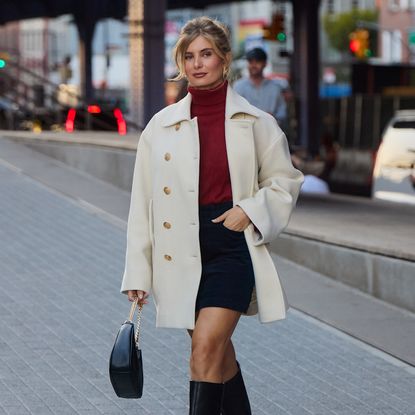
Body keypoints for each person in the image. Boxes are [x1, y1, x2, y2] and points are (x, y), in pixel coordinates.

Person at [120, 16, 303, 415]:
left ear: (224, 59)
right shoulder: (160, 127)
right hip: (179, 251)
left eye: (206, 54)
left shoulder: (256, 122)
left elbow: (285, 181)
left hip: (231, 247)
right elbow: (142, 204)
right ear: (181, 63)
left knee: (204, 349)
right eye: (189, 56)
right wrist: (138, 272)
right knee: (217, 355)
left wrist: (249, 210)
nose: (197, 64)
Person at [233, 47, 287, 125]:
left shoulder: (275, 88)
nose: (253, 65)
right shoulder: (238, 86)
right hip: (245, 134)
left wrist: (273, 117)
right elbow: (233, 113)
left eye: (257, 61)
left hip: (270, 134)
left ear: (265, 64)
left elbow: (282, 113)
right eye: (251, 62)